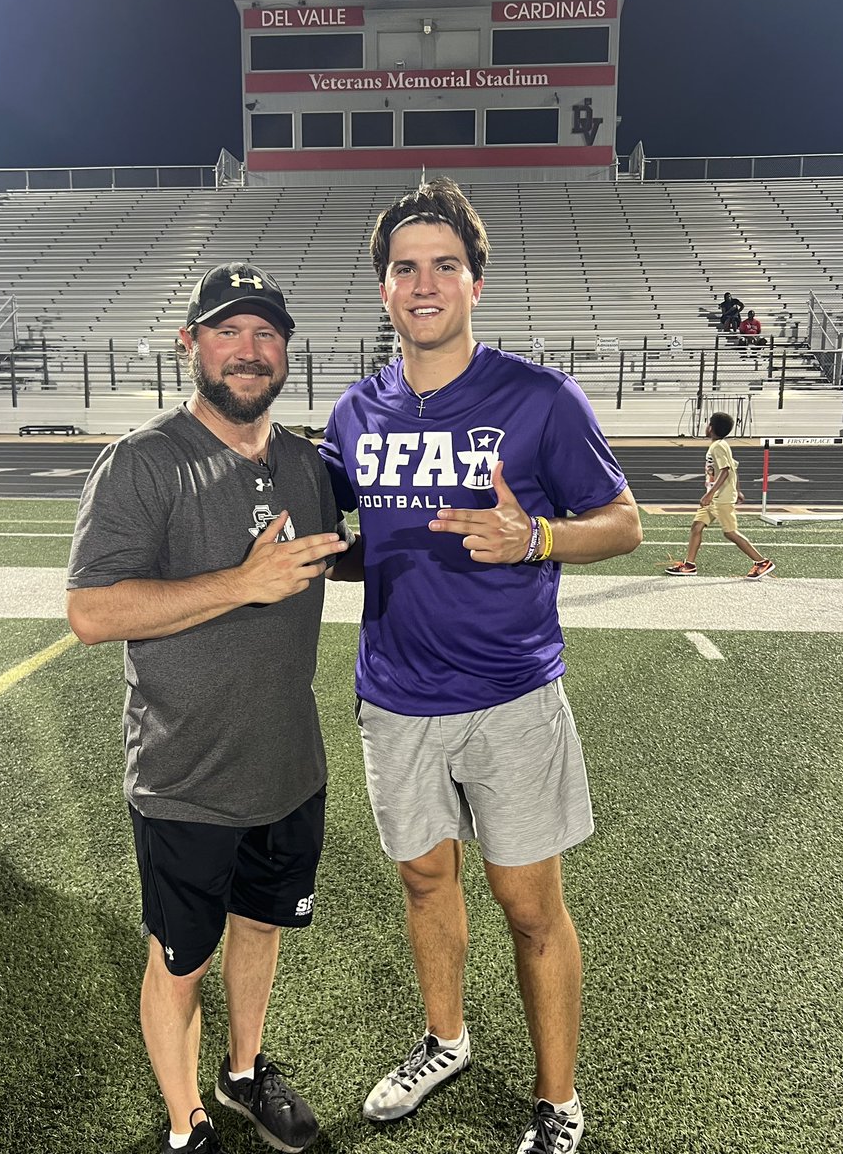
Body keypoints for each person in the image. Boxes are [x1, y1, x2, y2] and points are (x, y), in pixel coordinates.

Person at [319, 179, 642, 1154]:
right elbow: (362, 541)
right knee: (424, 880)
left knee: (529, 905)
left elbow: (625, 523)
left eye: (443, 266)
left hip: (509, 698)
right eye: (405, 267)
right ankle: (446, 1039)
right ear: (384, 288)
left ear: (475, 281)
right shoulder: (353, 412)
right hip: (396, 697)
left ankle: (557, 1101)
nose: (424, 284)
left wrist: (537, 538)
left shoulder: (539, 398)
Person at [66, 262, 355, 1154]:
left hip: (288, 764)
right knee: (179, 956)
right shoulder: (143, 461)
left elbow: (354, 547)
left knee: (261, 927)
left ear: (286, 354)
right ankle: (186, 1122)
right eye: (228, 330)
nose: (249, 349)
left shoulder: (308, 462)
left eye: (266, 333)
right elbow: (91, 612)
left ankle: (241, 1072)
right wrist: (241, 583)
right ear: (191, 343)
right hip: (185, 777)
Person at [665, 411, 774, 579]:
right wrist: (737, 489)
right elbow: (734, 467)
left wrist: (710, 494)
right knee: (696, 527)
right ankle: (689, 565)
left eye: (708, 424)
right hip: (714, 498)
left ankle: (761, 562)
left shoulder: (718, 447)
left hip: (720, 498)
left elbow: (725, 470)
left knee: (730, 532)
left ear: (711, 428)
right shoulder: (720, 445)